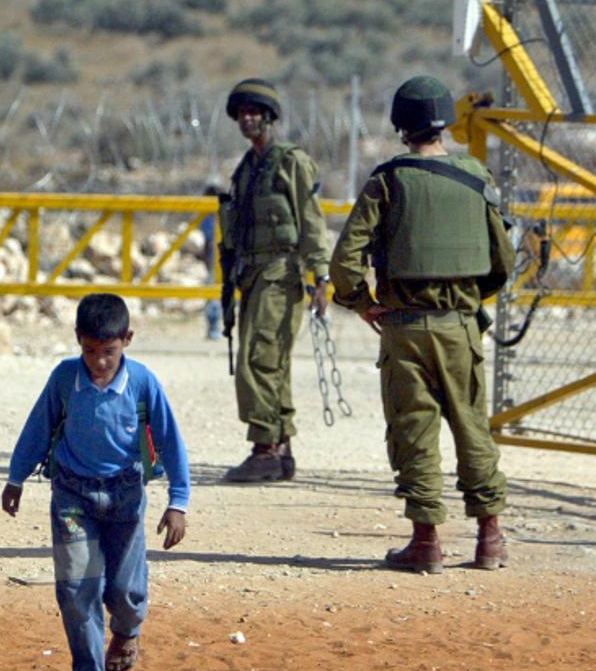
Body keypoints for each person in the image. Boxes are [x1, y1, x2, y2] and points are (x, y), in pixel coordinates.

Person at [328, 75, 516, 574]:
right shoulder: (477, 177)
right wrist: (465, 302)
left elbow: (344, 261)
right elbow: (503, 260)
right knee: (472, 427)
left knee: (414, 430)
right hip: (460, 326)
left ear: (401, 126)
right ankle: (490, 540)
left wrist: (362, 303)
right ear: (444, 123)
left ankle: (426, 542)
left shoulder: (388, 180)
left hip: (404, 325)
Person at [1, 293, 190, 671]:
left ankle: (126, 631)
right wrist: (15, 478)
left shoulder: (141, 382)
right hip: (72, 494)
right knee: (75, 586)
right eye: (90, 350)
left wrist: (178, 502)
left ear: (127, 340)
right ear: (77, 341)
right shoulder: (64, 379)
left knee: (123, 588)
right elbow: (38, 427)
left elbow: (172, 442)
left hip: (126, 494)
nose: (99, 361)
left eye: (109, 351)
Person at [217, 78, 331, 483]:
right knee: (270, 361)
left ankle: (265, 447)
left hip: (281, 272)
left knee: (259, 359)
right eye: (242, 113)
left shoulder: (289, 162)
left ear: (268, 116)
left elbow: (311, 218)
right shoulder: (247, 168)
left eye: (254, 112)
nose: (247, 119)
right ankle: (279, 448)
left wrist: (321, 274)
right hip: (252, 273)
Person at [200, 182, 223, 340]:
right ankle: (214, 328)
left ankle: (214, 328)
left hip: (216, 260)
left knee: (214, 295)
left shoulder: (206, 217)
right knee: (215, 295)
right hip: (219, 260)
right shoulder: (218, 215)